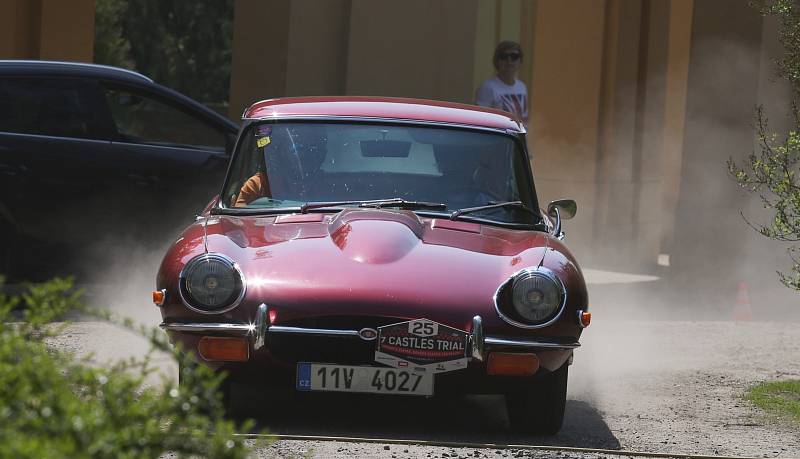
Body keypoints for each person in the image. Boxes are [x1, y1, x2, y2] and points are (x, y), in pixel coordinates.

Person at [475, 41, 528, 123]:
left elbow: (524, 117)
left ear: (520, 61)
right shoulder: (487, 88)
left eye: (514, 56)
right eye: (504, 56)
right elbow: (480, 119)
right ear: (497, 61)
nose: (509, 60)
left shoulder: (522, 87)